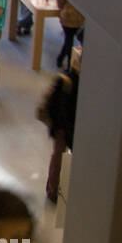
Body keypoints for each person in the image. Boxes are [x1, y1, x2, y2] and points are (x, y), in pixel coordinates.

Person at [39, 51, 80, 205]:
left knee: (59, 157)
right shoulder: (70, 82)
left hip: (63, 127)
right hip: (64, 128)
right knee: (59, 157)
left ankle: (54, 189)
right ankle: (54, 190)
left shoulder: (67, 79)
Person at [55, 0, 85, 70]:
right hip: (80, 19)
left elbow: (60, 3)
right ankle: (67, 63)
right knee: (69, 41)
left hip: (67, 18)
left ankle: (63, 60)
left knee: (68, 41)